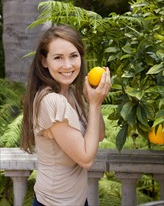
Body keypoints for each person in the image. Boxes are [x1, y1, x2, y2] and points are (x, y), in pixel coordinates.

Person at [21, 24, 111, 206]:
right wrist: (94, 104)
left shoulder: (70, 93)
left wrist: (94, 102)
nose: (68, 65)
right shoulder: (51, 100)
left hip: (77, 201)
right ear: (44, 61)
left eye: (73, 56)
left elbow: (99, 135)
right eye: (58, 58)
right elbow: (86, 159)